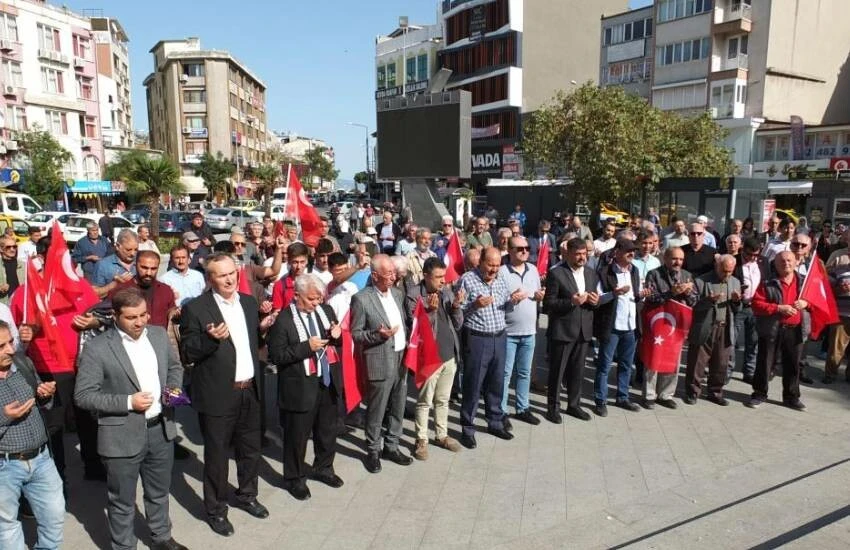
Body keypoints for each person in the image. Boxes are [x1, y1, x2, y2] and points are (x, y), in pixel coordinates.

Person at [74, 288, 187, 550]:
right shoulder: (98, 347)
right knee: (122, 501)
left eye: (143, 315)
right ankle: (124, 546)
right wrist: (128, 402)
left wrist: (173, 388)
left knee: (159, 492)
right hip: (121, 435)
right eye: (131, 317)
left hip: (160, 429)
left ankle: (161, 536)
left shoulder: (158, 335)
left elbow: (174, 367)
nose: (140, 322)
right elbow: (83, 396)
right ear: (114, 316)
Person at [179, 254, 272, 536]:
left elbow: (251, 342)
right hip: (219, 394)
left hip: (250, 389)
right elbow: (188, 352)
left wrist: (263, 330)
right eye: (222, 275)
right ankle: (216, 510)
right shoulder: (195, 308)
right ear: (210, 279)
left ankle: (247, 495)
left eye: (232, 272)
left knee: (250, 450)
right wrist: (210, 339)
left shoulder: (248, 302)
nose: (230, 279)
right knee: (218, 456)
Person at [268, 274, 343, 501]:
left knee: (327, 430)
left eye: (319, 298)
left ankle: (324, 467)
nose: (316, 303)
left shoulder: (325, 311)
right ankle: (294, 478)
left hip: (325, 380)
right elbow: (276, 355)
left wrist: (336, 335)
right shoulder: (284, 320)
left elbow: (334, 340)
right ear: (297, 295)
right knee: (297, 436)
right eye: (311, 299)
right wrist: (305, 348)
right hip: (299, 386)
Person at [0, 320, 63, 550]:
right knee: (6, 527)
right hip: (5, 466)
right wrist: (4, 416)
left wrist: (44, 395)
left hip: (41, 459)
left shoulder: (22, 362)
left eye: (10, 342)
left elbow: (39, 399)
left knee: (54, 517)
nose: (10, 349)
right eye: (1, 346)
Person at [350, 254, 412, 472]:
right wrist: (377, 335)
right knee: (377, 409)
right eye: (388, 274)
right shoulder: (361, 299)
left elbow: (405, 321)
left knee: (398, 405)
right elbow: (356, 334)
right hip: (379, 359)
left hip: (401, 357)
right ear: (375, 276)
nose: (393, 277)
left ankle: (392, 445)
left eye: (394, 272)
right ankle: (373, 450)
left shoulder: (397, 293)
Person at [457, 247, 520, 448]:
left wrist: (513, 300)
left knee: (496, 383)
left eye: (497, 265)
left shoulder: (501, 279)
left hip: (499, 337)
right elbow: (457, 314)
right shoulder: (467, 279)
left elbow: (505, 306)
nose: (494, 269)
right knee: (473, 386)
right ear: (481, 262)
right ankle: (467, 428)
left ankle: (495, 421)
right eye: (490, 265)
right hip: (477, 339)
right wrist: (474, 305)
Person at [406, 258, 463, 460]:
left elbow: (457, 324)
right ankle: (421, 440)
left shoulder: (446, 291)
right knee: (424, 401)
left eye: (443, 276)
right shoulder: (414, 294)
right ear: (425, 276)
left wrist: (456, 306)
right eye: (437, 277)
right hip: (429, 357)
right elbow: (415, 327)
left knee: (443, 399)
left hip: (449, 353)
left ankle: (441, 435)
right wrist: (429, 311)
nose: (442, 281)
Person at [544, 238, 599, 423]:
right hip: (563, 330)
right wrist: (571, 302)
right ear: (568, 254)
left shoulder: (591, 273)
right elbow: (548, 304)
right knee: (557, 371)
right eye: (578, 254)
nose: (582, 257)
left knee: (578, 370)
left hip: (584, 330)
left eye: (585, 254)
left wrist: (594, 301)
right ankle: (553, 407)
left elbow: (595, 300)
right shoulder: (557, 273)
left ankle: (574, 405)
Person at [747, 251, 808, 410]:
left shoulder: (804, 283)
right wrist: (778, 308)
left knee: (793, 365)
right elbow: (756, 305)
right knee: (765, 363)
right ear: (775, 264)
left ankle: (792, 397)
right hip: (772, 328)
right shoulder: (768, 283)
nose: (786, 263)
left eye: (789, 260)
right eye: (782, 261)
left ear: (796, 263)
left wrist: (806, 303)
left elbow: (815, 302)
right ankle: (759, 394)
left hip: (795, 330)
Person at [594, 238, 647, 416]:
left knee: (626, 364)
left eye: (633, 251)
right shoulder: (604, 272)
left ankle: (622, 397)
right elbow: (598, 299)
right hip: (612, 326)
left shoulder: (635, 270)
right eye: (627, 250)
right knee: (604, 365)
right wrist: (613, 293)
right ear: (617, 252)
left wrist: (642, 295)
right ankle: (600, 400)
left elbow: (635, 297)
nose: (632, 254)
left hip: (630, 326)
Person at [642, 247, 696, 409]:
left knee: (673, 359)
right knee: (654, 357)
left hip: (677, 325)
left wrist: (686, 293)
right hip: (658, 323)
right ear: (665, 258)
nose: (677, 262)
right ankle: (649, 395)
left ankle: (665, 394)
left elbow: (694, 300)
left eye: (680, 259)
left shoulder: (687, 275)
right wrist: (670, 292)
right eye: (674, 259)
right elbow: (650, 297)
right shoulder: (654, 274)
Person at [684, 255, 741, 406]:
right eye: (724, 271)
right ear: (717, 266)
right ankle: (692, 392)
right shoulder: (702, 281)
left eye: (730, 271)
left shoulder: (735, 282)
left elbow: (737, 309)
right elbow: (693, 304)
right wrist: (708, 300)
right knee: (697, 361)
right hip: (705, 326)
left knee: (721, 362)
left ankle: (715, 392)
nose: (727, 274)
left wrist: (737, 301)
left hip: (724, 327)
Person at [499, 237, 544, 426]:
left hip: (529, 331)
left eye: (527, 248)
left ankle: (522, 407)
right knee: (505, 374)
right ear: (509, 250)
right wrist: (511, 300)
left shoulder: (533, 270)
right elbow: (497, 302)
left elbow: (535, 294)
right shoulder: (501, 272)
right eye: (520, 249)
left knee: (525, 373)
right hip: (508, 332)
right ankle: (500, 412)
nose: (525, 251)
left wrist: (539, 296)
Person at [110, 250, 178, 328]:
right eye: (144, 267)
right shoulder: (120, 291)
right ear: (135, 265)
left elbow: (172, 314)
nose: (148, 273)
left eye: (153, 269)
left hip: (159, 338)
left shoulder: (166, 290)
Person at [732, 238, 767, 384]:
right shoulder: (734, 262)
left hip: (756, 307)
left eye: (756, 255)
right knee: (731, 341)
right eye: (749, 254)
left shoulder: (763, 262)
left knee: (753, 342)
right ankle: (726, 371)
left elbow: (767, 282)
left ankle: (749, 372)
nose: (752, 258)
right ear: (742, 249)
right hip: (738, 306)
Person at [91, 228, 138, 296]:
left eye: (136, 249)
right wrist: (114, 285)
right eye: (128, 250)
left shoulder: (140, 263)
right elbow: (94, 293)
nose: (133, 253)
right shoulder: (103, 265)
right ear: (118, 246)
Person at [271, 242, 310, 311]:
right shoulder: (279, 286)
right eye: (295, 262)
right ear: (289, 261)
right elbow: (277, 312)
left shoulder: (313, 283)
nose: (299, 267)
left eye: (302, 262)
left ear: (307, 261)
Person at [0, 236, 23, 304]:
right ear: (1, 249)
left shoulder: (23, 265)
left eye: (14, 247)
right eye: (8, 247)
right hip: (4, 305)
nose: (12, 249)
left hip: (20, 304)